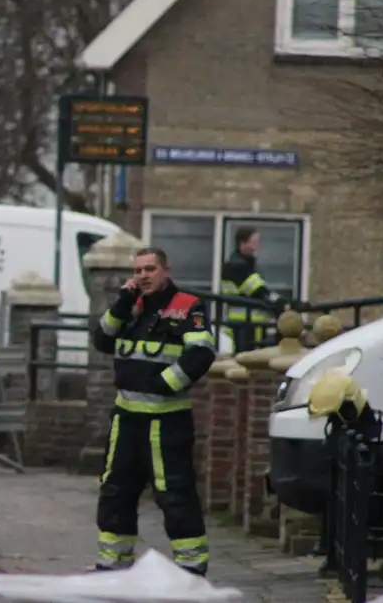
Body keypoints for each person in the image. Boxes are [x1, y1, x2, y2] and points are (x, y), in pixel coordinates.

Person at [91, 246, 217, 575]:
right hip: (126, 420)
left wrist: (163, 383)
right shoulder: (129, 308)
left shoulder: (187, 306)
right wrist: (121, 304)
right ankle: (112, 565)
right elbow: (102, 340)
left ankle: (191, 570)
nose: (144, 276)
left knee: (174, 494)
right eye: (139, 270)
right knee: (115, 489)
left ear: (165, 270)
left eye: (150, 269)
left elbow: (201, 353)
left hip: (166, 420)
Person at [308, 371, 383, 576]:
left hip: (358, 484)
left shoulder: (362, 421)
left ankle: (343, 558)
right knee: (337, 504)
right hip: (340, 483)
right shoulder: (339, 424)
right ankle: (334, 554)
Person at [221, 227, 288, 352]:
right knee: (246, 358)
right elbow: (258, 290)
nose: (257, 246)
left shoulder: (244, 264)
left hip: (250, 322)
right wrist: (281, 302)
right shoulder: (237, 266)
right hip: (245, 322)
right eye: (254, 242)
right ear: (243, 243)